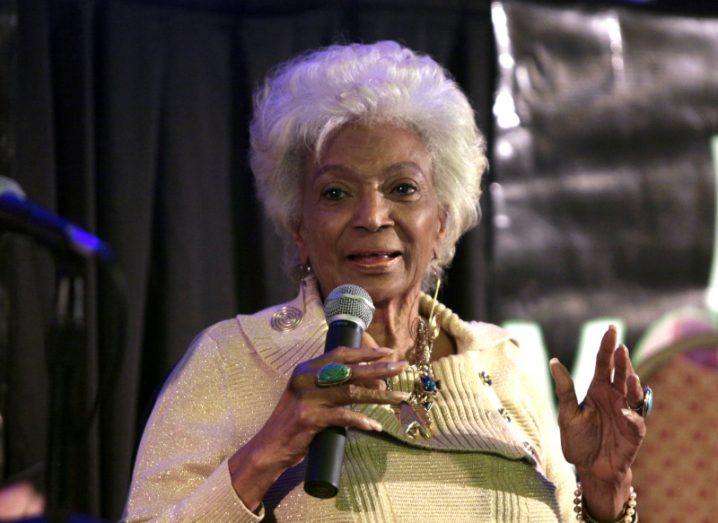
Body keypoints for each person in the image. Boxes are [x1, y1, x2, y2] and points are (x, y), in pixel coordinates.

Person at [123, 41, 649, 522]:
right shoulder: (233, 361)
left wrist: (604, 494)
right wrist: (266, 452)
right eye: (335, 193)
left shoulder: (501, 361)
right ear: (297, 225)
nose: (373, 215)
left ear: (442, 219)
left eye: (402, 187)